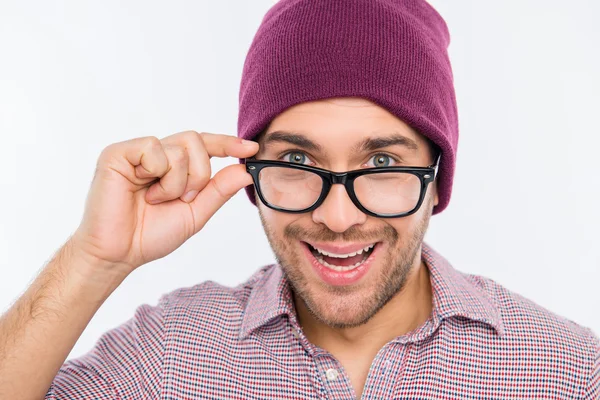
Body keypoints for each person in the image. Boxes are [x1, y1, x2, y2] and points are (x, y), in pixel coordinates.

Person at [1, 0, 598, 399]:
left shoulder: (568, 370)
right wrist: (93, 259)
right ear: (247, 173)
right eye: (295, 162)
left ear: (437, 178)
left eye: (383, 163)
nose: (337, 218)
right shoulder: (170, 350)